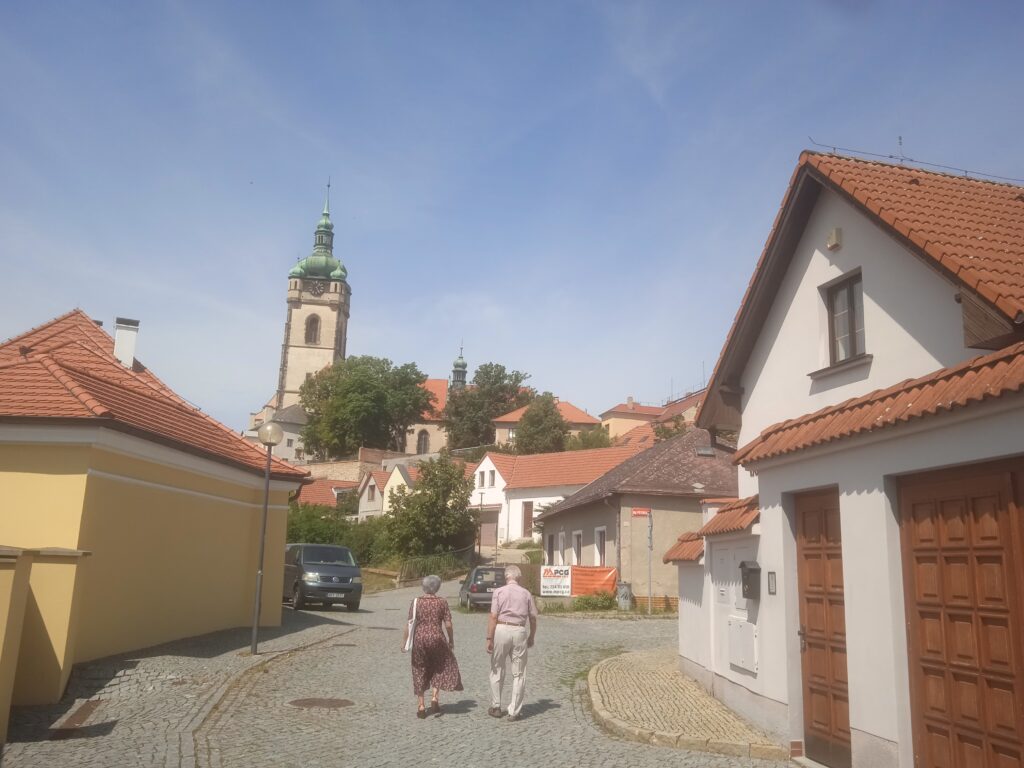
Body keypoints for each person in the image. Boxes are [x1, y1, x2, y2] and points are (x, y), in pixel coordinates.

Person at [401, 574, 463, 718]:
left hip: (420, 639)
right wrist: (451, 639)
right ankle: (434, 698)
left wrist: (404, 642)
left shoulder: (416, 602)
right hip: (437, 638)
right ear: (437, 587)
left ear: (423, 587)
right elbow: (448, 624)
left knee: (419, 669)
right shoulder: (442, 602)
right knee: (439, 666)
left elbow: (409, 623)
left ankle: (421, 706)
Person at [485, 564, 538, 722]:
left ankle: (496, 706)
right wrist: (532, 636)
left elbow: (493, 616)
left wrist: (489, 638)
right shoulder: (526, 593)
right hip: (519, 630)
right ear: (519, 578)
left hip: (501, 629)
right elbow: (533, 617)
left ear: (506, 577)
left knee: (497, 668)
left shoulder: (499, 592)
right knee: (519, 673)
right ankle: (514, 711)